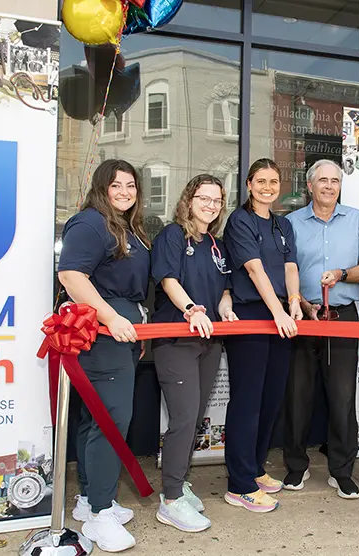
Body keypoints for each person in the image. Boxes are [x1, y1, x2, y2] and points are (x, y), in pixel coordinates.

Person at [59, 159, 150, 553]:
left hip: (124, 330)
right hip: (102, 332)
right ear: (102, 187)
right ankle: (99, 515)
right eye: (117, 185)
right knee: (111, 420)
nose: (125, 192)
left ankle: (89, 499)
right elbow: (71, 275)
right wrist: (111, 317)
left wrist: (133, 321)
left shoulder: (124, 225)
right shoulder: (91, 222)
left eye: (131, 185)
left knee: (96, 417)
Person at [282, 159, 359, 499]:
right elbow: (284, 269)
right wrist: (300, 303)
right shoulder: (290, 223)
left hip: (342, 316)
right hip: (301, 316)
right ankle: (296, 466)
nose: (329, 186)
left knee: (342, 397)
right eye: (322, 180)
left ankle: (341, 470)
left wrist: (341, 273)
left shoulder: (356, 220)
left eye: (335, 181)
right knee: (297, 396)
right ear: (309, 185)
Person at [151, 175, 238, 532]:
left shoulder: (216, 245)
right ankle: (170, 499)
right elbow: (169, 280)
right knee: (184, 419)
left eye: (217, 200)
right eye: (204, 198)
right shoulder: (173, 235)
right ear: (189, 199)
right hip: (177, 340)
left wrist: (226, 306)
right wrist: (192, 309)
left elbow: (225, 288)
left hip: (210, 341)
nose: (211, 205)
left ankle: (180, 481)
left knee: (196, 417)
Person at [222, 158, 302, 513]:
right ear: (249, 184)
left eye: (274, 181)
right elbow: (254, 269)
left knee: (270, 399)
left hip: (281, 315)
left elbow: (290, 266)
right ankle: (238, 484)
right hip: (254, 314)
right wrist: (278, 311)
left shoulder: (283, 224)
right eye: (261, 181)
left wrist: (295, 302)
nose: (268, 187)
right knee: (247, 401)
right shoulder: (239, 221)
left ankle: (254, 469)